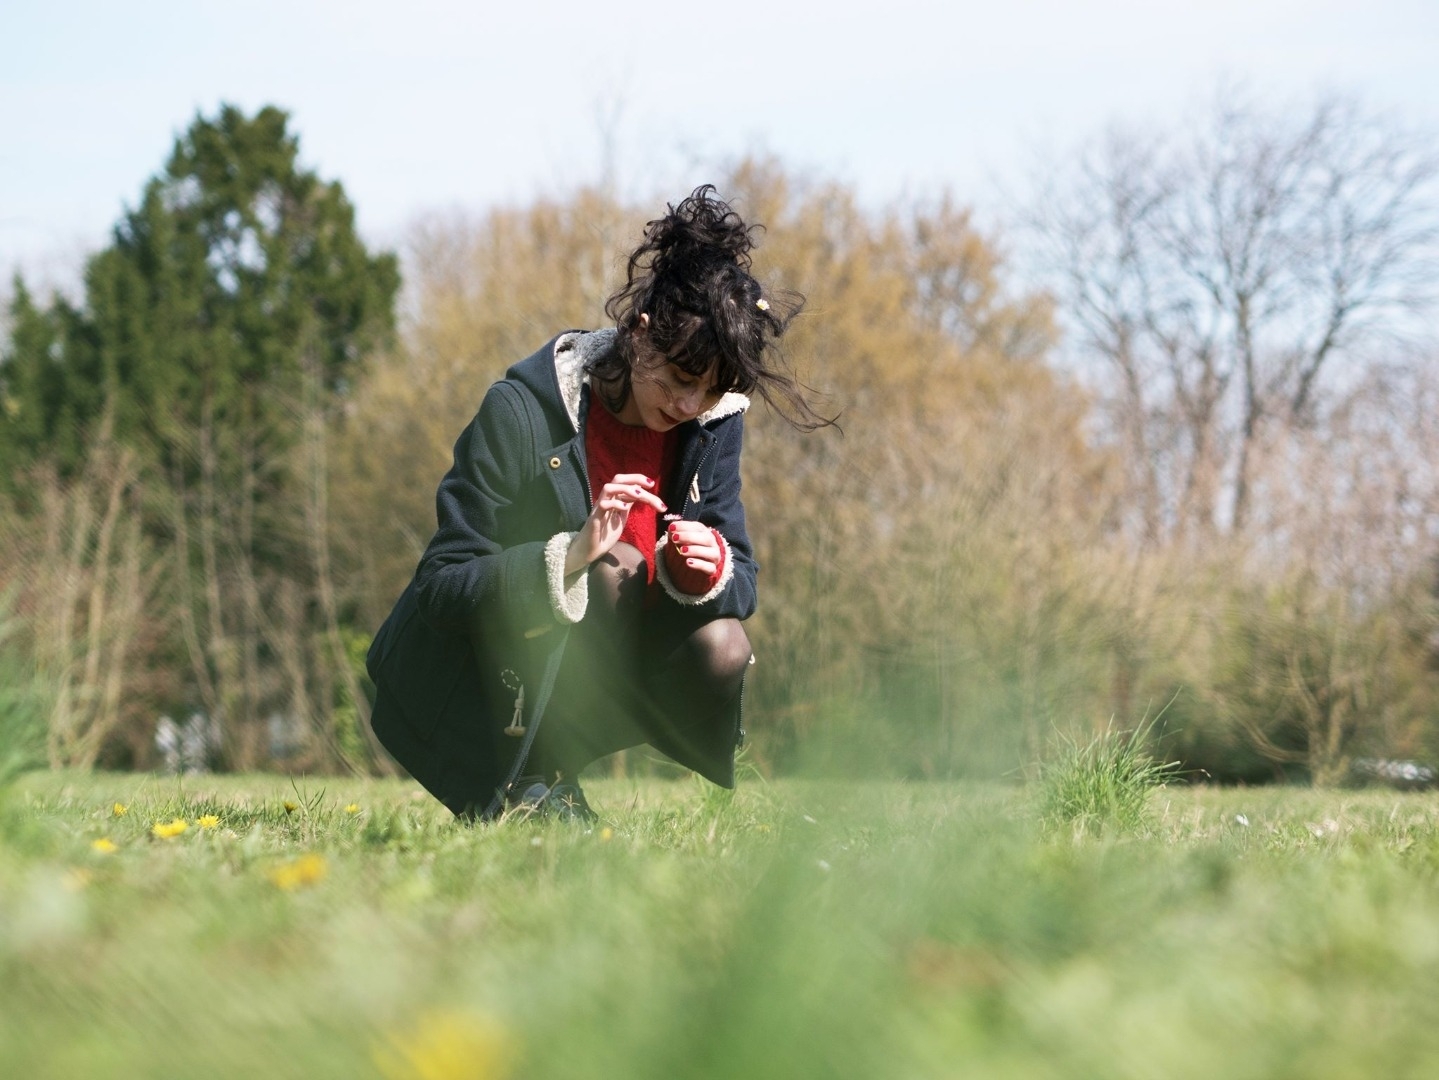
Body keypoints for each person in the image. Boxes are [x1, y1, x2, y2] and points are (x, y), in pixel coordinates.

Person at [366, 185, 828, 821]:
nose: (689, 405)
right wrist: (568, 558)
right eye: (679, 379)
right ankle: (528, 780)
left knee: (724, 645)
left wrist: (707, 568)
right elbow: (442, 585)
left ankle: (554, 777)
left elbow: (742, 578)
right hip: (467, 687)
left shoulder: (713, 423)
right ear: (640, 334)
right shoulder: (521, 411)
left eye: (710, 391)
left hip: (594, 670)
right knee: (612, 568)